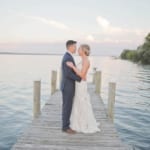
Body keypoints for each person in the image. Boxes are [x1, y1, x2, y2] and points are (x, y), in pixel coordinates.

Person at [66, 44, 100, 133]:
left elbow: (82, 75)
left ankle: (83, 123)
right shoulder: (83, 60)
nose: (78, 50)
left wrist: (72, 67)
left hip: (81, 85)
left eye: (79, 49)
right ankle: (77, 122)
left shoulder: (86, 61)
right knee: (77, 102)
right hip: (78, 84)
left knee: (81, 102)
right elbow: (79, 73)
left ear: (83, 50)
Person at [61, 40, 81, 134]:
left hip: (68, 86)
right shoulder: (67, 58)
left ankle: (66, 125)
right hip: (68, 87)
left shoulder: (68, 56)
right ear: (70, 47)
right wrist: (79, 78)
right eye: (74, 46)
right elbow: (68, 74)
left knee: (67, 106)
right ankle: (65, 127)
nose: (76, 48)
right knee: (67, 107)